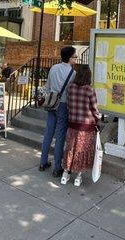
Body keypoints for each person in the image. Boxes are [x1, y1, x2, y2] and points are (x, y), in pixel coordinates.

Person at [39, 46, 77, 177]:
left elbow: (47, 86)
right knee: (60, 136)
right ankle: (57, 167)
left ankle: (43, 162)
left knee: (48, 132)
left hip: (51, 102)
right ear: (70, 57)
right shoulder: (73, 73)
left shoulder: (53, 68)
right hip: (63, 105)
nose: (76, 59)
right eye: (75, 56)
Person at [61, 64, 100, 187]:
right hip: (86, 126)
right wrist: (98, 119)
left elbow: (68, 105)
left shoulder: (70, 87)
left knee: (70, 148)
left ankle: (65, 174)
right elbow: (94, 109)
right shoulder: (89, 89)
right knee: (81, 150)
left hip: (72, 123)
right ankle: (78, 177)